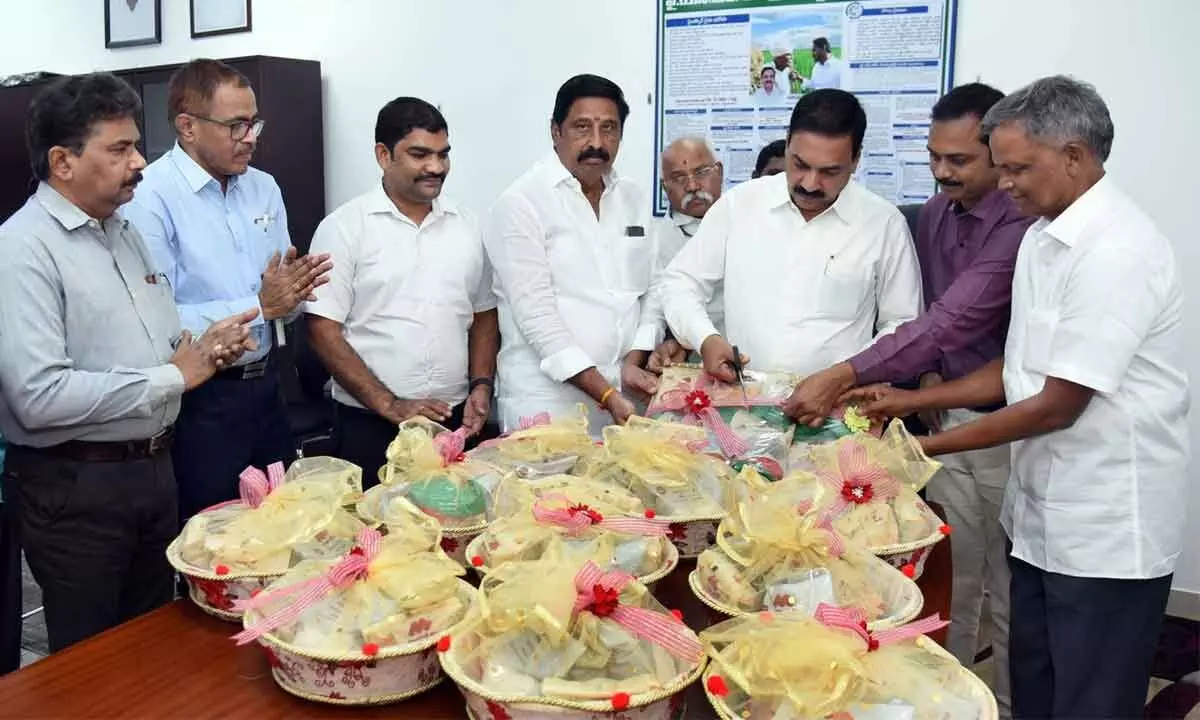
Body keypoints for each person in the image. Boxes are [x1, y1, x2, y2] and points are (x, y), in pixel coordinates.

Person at [849, 76, 1189, 720]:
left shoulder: (1118, 250)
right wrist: (900, 400)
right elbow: (1018, 370)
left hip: (1106, 526)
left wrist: (919, 447)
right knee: (1034, 682)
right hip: (1039, 515)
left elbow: (1058, 403)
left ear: (1075, 156)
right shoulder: (1042, 235)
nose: (1005, 184)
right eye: (1000, 168)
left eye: (1017, 168)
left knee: (1089, 698)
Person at [784, 82, 1031, 718]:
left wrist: (843, 374)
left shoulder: (1019, 222)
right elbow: (915, 323)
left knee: (1013, 591)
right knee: (954, 572)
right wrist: (901, 393)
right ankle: (952, 697)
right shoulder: (935, 215)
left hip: (1009, 429)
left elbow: (948, 324)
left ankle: (1004, 704)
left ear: (998, 155)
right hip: (942, 422)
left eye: (960, 160)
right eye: (934, 157)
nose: (943, 172)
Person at [0, 73, 257, 652]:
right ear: (62, 161)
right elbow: (37, 398)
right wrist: (174, 376)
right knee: (90, 660)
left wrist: (206, 342)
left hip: (152, 472)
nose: (140, 161)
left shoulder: (123, 231)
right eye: (119, 149)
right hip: (75, 485)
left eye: (137, 144)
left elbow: (160, 337)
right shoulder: (21, 250)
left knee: (150, 642)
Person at [124, 59, 332, 522]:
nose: (251, 137)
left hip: (268, 386)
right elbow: (157, 320)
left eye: (254, 122)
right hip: (199, 398)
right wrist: (260, 306)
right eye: (236, 125)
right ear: (188, 126)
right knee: (214, 536)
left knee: (280, 527)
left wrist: (294, 293)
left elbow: (282, 296)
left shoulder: (263, 187)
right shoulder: (150, 197)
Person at [661, 89, 920, 389]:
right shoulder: (739, 206)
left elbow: (902, 324)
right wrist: (706, 338)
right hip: (744, 400)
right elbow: (680, 282)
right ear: (787, 144)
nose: (810, 183)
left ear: (856, 159)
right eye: (800, 164)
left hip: (837, 406)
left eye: (829, 171)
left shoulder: (884, 224)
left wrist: (847, 375)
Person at [305, 98, 498, 485]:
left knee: (453, 536)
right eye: (419, 154)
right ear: (383, 154)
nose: (436, 167)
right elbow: (321, 330)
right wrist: (390, 405)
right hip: (369, 425)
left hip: (453, 423)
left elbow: (484, 315)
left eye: (444, 155)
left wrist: (481, 384)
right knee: (375, 539)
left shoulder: (468, 226)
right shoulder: (344, 228)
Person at [486, 74, 660, 434]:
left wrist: (636, 356)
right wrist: (606, 392)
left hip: (627, 398)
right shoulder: (521, 203)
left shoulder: (632, 197)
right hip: (549, 406)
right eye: (582, 127)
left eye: (609, 128)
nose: (597, 142)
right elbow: (538, 319)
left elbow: (653, 287)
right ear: (555, 131)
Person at [647, 137, 724, 371]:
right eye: (679, 178)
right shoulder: (655, 239)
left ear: (719, 172)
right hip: (683, 363)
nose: (692, 186)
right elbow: (654, 308)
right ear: (664, 187)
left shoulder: (750, 224)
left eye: (701, 172)